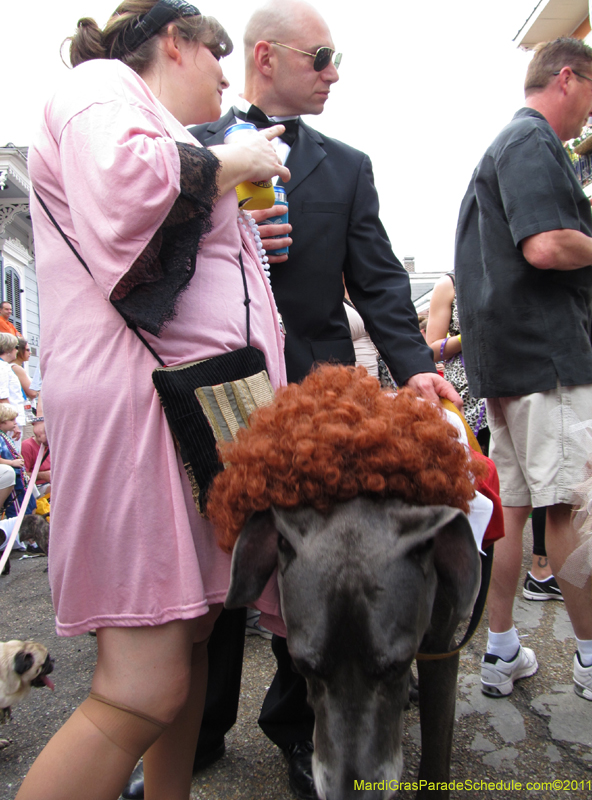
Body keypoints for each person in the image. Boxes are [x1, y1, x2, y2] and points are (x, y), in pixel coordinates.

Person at [168, 4, 462, 800]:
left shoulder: (348, 164)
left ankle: (302, 729)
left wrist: (414, 370)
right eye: (323, 56)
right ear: (267, 56)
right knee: (222, 562)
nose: (336, 73)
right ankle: (195, 734)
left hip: (319, 405)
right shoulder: (188, 146)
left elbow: (377, 280)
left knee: (330, 579)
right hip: (219, 386)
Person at [20, 2, 288, 799]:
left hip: (182, 413)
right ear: (176, 40)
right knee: (138, 688)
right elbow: (125, 187)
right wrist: (234, 161)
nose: (225, 78)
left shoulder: (137, 113)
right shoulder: (103, 84)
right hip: (143, 413)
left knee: (197, 640)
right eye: (218, 57)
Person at [455, 37, 592, 703]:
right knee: (569, 505)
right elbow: (545, 246)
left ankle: (502, 649)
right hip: (548, 357)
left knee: (512, 511)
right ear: (565, 78)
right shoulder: (534, 140)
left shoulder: (502, 148)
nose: (591, 111)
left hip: (504, 365)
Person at [426, 272, 490, 453]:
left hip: (511, 384)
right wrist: (469, 337)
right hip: (467, 392)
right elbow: (432, 349)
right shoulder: (450, 284)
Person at [0, 403, 36, 517]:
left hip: (21, 479)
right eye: (11, 420)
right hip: (14, 483)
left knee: (30, 505)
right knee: (18, 511)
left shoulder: (5, 435)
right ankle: (19, 533)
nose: (15, 422)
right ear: (2, 422)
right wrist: (11, 463)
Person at [0, 332, 25, 447]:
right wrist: (14, 424)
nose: (17, 351)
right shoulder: (2, 368)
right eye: (16, 347)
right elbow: (3, 398)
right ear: (8, 349)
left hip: (8, 421)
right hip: (8, 422)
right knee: (12, 455)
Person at [21, 417, 51, 496]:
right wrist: (43, 475)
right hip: (37, 486)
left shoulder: (54, 445)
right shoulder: (27, 446)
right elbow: (23, 474)